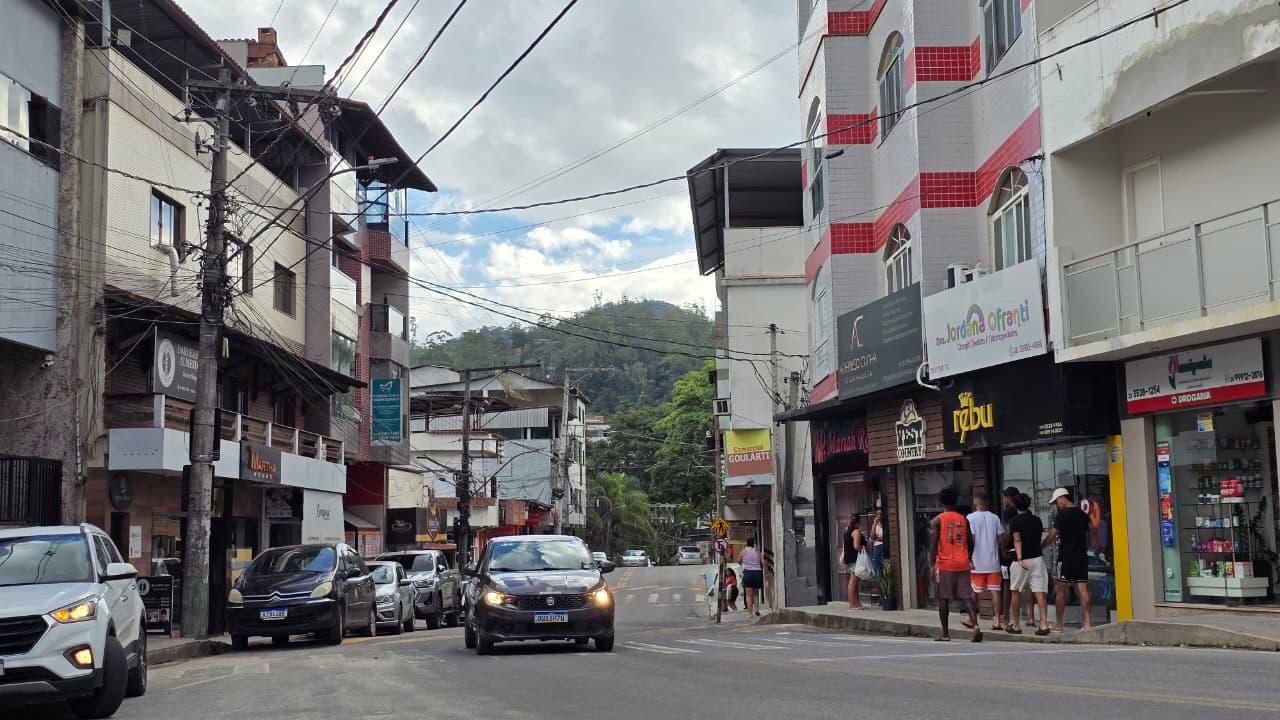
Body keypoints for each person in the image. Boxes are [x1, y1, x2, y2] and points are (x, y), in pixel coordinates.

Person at [932, 486, 980, 642]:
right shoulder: (964, 519)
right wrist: (968, 557)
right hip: (963, 563)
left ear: (941, 502)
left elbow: (933, 545)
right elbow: (971, 542)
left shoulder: (937, 521)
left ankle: (945, 633)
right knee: (966, 596)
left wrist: (932, 564)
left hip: (945, 564)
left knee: (943, 598)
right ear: (955, 501)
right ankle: (975, 626)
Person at [1043, 487, 1093, 631]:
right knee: (1083, 589)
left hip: (1065, 556)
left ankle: (1059, 624)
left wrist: (1042, 546)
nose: (1056, 505)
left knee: (1061, 590)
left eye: (1056, 502)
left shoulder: (1062, 515)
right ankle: (1088, 623)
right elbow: (1089, 534)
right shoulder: (1083, 514)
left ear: (1062, 498)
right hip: (1081, 555)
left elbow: (1053, 535)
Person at [1008, 492, 1050, 636]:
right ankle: (1044, 623)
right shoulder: (1037, 520)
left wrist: (1019, 558)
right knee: (1039, 592)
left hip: (1021, 560)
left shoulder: (1014, 521)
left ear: (1015, 505)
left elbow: (1017, 539)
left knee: (1016, 591)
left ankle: (1015, 624)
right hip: (1037, 558)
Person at [965, 495, 1002, 632]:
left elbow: (971, 539)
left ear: (975, 503)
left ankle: (971, 619)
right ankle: (997, 619)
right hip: (993, 561)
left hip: (977, 561)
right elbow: (1001, 537)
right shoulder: (995, 518)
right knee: (995, 590)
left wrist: (968, 556)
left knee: (974, 591)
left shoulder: (970, 518)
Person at [839, 512, 866, 610]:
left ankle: (856, 603)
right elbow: (856, 546)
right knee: (853, 581)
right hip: (855, 559)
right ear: (858, 521)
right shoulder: (856, 532)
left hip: (849, 559)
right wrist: (863, 547)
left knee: (855, 581)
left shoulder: (847, 531)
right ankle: (852, 604)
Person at [740, 537, 764, 617]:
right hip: (757, 573)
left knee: (748, 595)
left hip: (748, 573)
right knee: (756, 593)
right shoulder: (757, 551)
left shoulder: (743, 551)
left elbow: (738, 560)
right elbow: (763, 562)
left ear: (746, 543)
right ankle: (757, 610)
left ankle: (750, 613)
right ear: (753, 543)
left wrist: (744, 565)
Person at [870, 508, 885, 572]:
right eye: (878, 514)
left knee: (884, 566)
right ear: (876, 515)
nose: (879, 516)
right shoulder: (874, 525)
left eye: (881, 514)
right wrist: (875, 524)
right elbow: (872, 537)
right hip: (877, 547)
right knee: (877, 566)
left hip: (884, 546)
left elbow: (885, 538)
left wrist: (877, 538)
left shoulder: (885, 524)